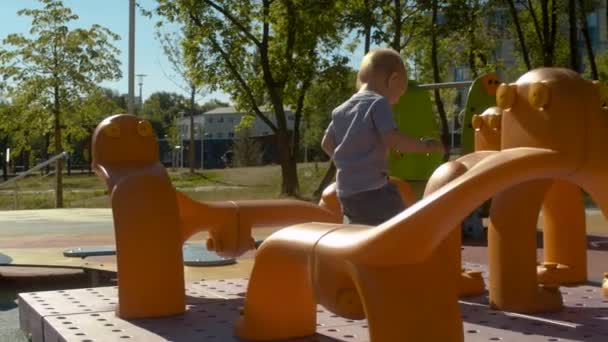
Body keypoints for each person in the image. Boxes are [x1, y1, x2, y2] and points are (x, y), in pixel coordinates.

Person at [321, 48, 445, 225]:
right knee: (402, 225)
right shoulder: (378, 103)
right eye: (400, 93)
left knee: (363, 229)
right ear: (393, 80)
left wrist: (349, 163)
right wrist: (425, 146)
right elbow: (392, 139)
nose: (398, 101)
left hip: (345, 193)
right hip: (373, 191)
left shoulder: (341, 110)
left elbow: (326, 143)